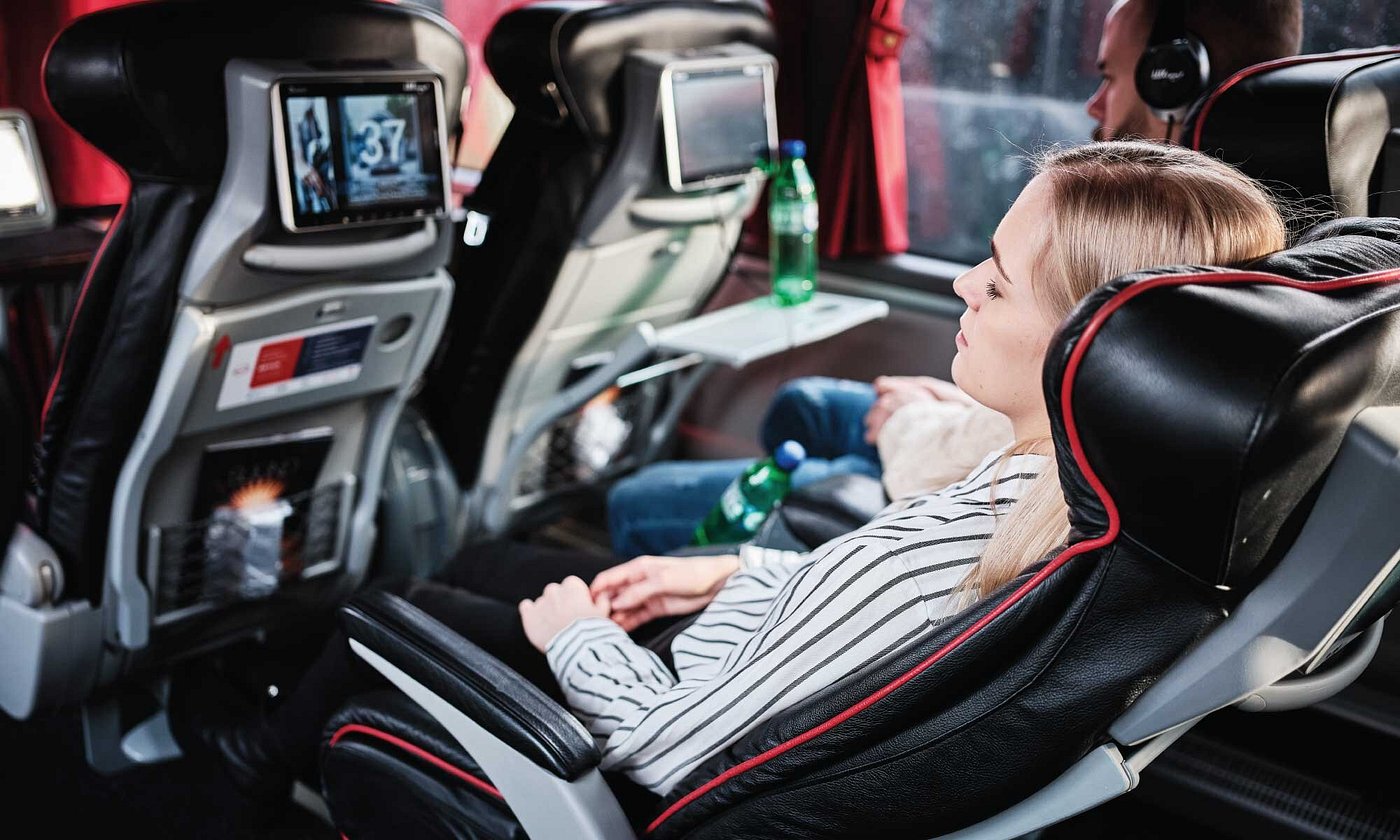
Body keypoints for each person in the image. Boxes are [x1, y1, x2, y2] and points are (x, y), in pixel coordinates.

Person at [197, 141, 1286, 802]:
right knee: (486, 562)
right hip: (725, 647)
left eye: (996, 284)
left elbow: (671, 749)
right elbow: (844, 615)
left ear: (1091, 346)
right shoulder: (1069, 495)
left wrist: (573, 637)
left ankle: (239, 770)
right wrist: (727, 573)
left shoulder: (956, 544)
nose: (961, 285)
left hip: (661, 714)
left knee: (388, 612)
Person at [606, 0, 1304, 558]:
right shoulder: (1241, 246)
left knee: (634, 502)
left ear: (1170, 78)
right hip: (979, 434)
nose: (1094, 105)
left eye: (1109, 77)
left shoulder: (1153, 253)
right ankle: (766, 518)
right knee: (803, 404)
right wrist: (946, 403)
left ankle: (769, 533)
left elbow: (1021, 460)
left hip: (942, 473)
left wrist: (910, 423)